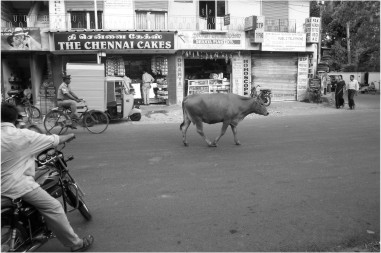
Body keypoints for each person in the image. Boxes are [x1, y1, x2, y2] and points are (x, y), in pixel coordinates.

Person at [1, 103, 94, 252]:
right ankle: (76, 244)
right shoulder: (23, 135)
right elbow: (53, 140)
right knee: (54, 207)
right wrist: (69, 135)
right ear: (15, 118)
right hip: (15, 185)